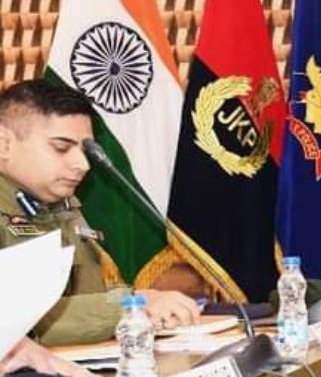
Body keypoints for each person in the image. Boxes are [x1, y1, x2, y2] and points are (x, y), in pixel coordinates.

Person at [0, 80, 200, 344]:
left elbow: (88, 294)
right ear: (3, 144)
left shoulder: (62, 206)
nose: (82, 164)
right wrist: (132, 305)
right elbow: (16, 319)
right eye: (61, 148)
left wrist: (146, 306)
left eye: (85, 150)